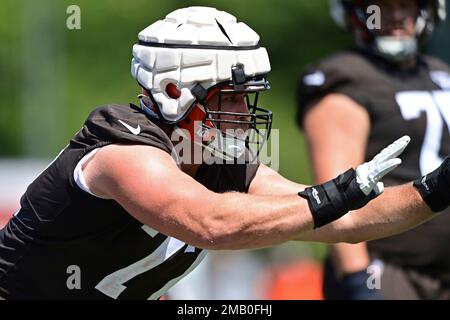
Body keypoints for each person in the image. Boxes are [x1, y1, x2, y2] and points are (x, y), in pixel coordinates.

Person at [0, 6, 449, 300]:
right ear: (174, 91)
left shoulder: (214, 157)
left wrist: (434, 188)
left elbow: (344, 222)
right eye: (229, 97)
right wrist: (335, 194)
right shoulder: (122, 149)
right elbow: (212, 223)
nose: (242, 112)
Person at [297, 0, 450, 299]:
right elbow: (333, 199)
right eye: (379, 6)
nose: (393, 16)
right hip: (389, 272)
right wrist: (358, 279)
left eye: (404, 5)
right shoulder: (345, 76)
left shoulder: (441, 73)